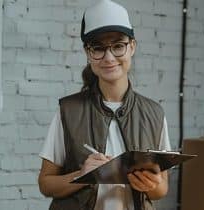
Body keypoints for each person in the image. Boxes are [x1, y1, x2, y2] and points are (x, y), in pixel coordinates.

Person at [38, 0, 171, 209]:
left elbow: (162, 189)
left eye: (118, 46)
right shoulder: (68, 111)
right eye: (98, 48)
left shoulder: (154, 113)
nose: (109, 57)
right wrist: (82, 175)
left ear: (132, 47)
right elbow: (45, 183)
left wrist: (149, 185)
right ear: (88, 53)